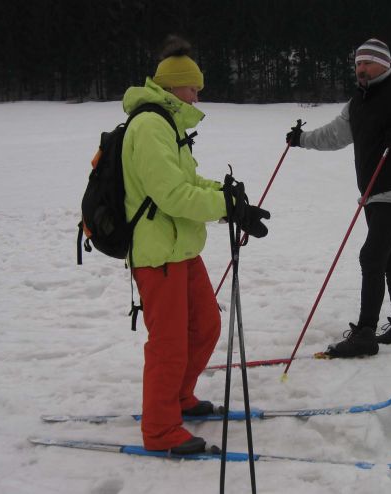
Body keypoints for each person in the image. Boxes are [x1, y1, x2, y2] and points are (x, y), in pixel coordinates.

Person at [122, 36, 269, 454]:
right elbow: (172, 195)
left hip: (181, 248)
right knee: (168, 344)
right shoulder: (150, 126)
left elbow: (188, 183)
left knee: (205, 326)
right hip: (157, 254)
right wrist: (223, 205)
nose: (198, 94)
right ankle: (160, 429)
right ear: (174, 89)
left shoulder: (169, 125)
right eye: (194, 87)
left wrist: (232, 201)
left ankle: (180, 398)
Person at [286, 38, 391, 358]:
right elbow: (335, 135)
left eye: (368, 63)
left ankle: (365, 333)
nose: (361, 69)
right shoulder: (357, 102)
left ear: (384, 65)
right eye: (358, 64)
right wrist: (301, 139)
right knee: (389, 258)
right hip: (374, 191)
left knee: (371, 256)